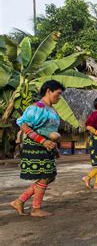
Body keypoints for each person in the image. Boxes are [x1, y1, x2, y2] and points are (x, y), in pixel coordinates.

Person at [10, 80, 65, 217]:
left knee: (50, 176)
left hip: (47, 146)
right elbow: (23, 124)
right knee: (46, 176)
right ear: (48, 91)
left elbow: (50, 130)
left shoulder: (51, 109)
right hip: (36, 145)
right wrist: (42, 140)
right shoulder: (37, 107)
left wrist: (55, 148)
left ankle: (19, 201)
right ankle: (35, 209)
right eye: (58, 94)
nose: (59, 97)